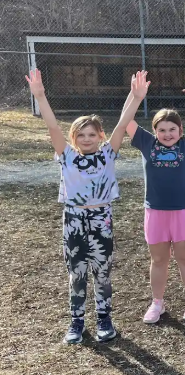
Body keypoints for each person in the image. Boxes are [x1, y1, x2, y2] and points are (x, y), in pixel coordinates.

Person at [26, 69, 143, 344]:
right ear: (73, 138)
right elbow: (53, 126)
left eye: (92, 134)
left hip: (101, 218)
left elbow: (122, 123)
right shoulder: (66, 156)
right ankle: (76, 322)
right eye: (81, 135)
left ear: (100, 136)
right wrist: (40, 96)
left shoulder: (107, 154)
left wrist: (135, 97)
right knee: (77, 273)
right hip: (74, 220)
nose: (87, 139)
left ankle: (104, 318)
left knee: (102, 272)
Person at [127, 73, 185, 324]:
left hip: (183, 211)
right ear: (154, 131)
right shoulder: (146, 143)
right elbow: (127, 121)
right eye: (162, 130)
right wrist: (136, 97)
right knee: (158, 259)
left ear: (181, 130)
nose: (167, 134)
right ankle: (157, 303)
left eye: (172, 129)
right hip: (155, 212)